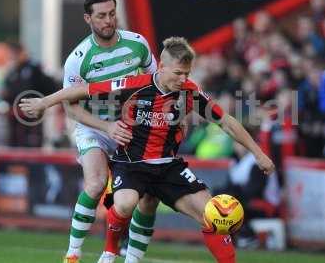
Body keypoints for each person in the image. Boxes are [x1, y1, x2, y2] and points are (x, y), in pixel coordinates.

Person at [20, 37, 275, 263]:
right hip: (132, 163)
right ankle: (109, 253)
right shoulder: (133, 84)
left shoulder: (190, 92)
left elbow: (226, 122)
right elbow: (81, 90)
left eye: (187, 73)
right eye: (178, 73)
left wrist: (258, 153)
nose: (184, 79)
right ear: (162, 67)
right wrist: (44, 102)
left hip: (168, 166)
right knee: (126, 202)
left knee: (215, 216)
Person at [59, 0, 159, 263]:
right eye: (101, 16)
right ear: (88, 18)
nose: (108, 21)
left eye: (112, 14)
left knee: (147, 194)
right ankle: (73, 253)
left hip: (130, 127)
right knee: (95, 183)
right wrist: (106, 126)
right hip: (94, 126)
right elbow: (71, 107)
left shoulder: (137, 44)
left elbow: (158, 86)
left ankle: (126, 252)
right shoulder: (78, 59)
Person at [0, 41, 60, 147]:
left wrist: (43, 102)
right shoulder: (12, 72)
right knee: (14, 143)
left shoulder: (34, 69)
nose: (13, 57)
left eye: (16, 53)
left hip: (32, 118)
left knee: (32, 144)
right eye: (12, 54)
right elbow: (6, 92)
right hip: (15, 119)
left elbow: (50, 86)